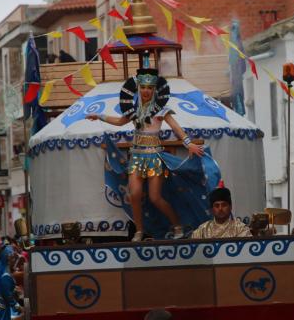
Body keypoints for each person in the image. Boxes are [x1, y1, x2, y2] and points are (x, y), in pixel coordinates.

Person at [87, 67, 207, 241]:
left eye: (149, 88)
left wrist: (189, 144)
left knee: (155, 197)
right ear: (138, 88)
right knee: (134, 194)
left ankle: (177, 224)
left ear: (154, 90)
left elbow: (176, 128)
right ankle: (139, 230)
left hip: (154, 158)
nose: (146, 91)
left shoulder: (161, 110)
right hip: (136, 156)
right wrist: (99, 116)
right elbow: (120, 122)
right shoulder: (134, 110)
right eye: (143, 87)